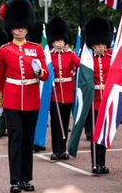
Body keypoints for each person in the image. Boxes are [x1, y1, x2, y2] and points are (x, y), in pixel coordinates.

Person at [0, 0, 49, 193]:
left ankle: (27, 178)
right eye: (16, 26)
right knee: (16, 138)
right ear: (11, 28)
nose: (20, 29)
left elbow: (45, 75)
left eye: (22, 26)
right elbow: (0, 80)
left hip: (32, 100)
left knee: (28, 139)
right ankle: (15, 180)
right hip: (12, 100)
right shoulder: (4, 51)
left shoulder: (36, 49)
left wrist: (38, 71)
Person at [47, 17, 80, 162]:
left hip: (67, 92)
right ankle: (56, 150)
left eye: (61, 40)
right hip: (55, 93)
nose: (59, 43)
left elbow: (80, 64)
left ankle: (63, 149)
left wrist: (72, 53)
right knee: (55, 122)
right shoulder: (49, 56)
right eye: (56, 41)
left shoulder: (70, 55)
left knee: (65, 122)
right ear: (52, 42)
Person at [84, 16, 112, 174]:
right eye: (98, 44)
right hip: (94, 100)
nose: (101, 47)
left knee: (104, 133)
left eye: (103, 44)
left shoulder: (111, 57)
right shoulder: (88, 60)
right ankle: (96, 162)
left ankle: (102, 162)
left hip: (107, 100)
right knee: (95, 133)